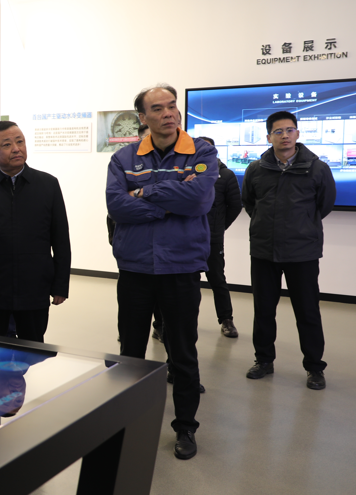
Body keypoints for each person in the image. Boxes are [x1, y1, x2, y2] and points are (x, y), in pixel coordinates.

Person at [107, 83, 217, 460]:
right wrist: (171, 197)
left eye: (172, 106)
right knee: (131, 352)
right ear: (143, 117)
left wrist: (144, 192)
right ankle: (127, 421)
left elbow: (199, 200)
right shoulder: (123, 158)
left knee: (183, 352)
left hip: (180, 266)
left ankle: (185, 426)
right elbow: (117, 207)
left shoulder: (201, 152)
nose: (168, 113)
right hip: (135, 267)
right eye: (158, 108)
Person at [241, 110, 335, 389]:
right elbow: (249, 203)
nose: (285, 135)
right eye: (278, 131)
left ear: (298, 133)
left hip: (302, 251)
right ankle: (264, 360)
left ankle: (314, 367)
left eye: (290, 130)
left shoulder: (317, 168)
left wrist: (302, 225)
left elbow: (324, 205)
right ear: (268, 136)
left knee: (307, 312)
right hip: (263, 250)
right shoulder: (256, 169)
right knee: (263, 310)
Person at [0, 121, 70, 342]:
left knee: (33, 348)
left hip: (35, 288)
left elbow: (60, 239)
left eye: (20, 142)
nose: (17, 149)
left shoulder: (48, 184)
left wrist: (60, 284)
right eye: (7, 144)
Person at [197, 135, 243, 337]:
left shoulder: (225, 175)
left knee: (217, 279)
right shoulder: (186, 172)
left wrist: (219, 227)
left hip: (213, 239)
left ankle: (226, 320)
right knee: (187, 282)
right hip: (187, 238)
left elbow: (235, 206)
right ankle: (184, 320)